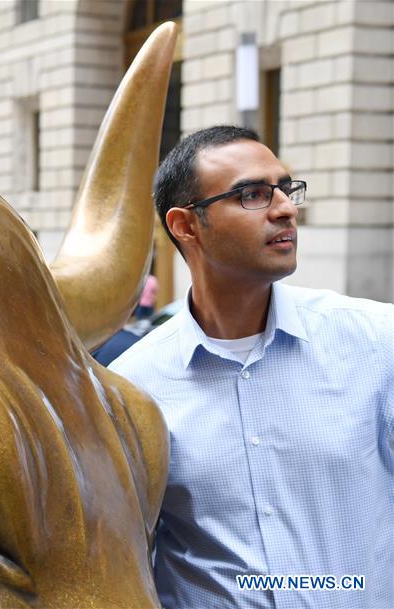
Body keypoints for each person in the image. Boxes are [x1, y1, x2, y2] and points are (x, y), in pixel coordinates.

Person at [110, 125, 393, 609]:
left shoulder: (374, 341)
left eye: (285, 188)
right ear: (186, 226)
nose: (285, 208)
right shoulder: (132, 386)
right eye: (253, 195)